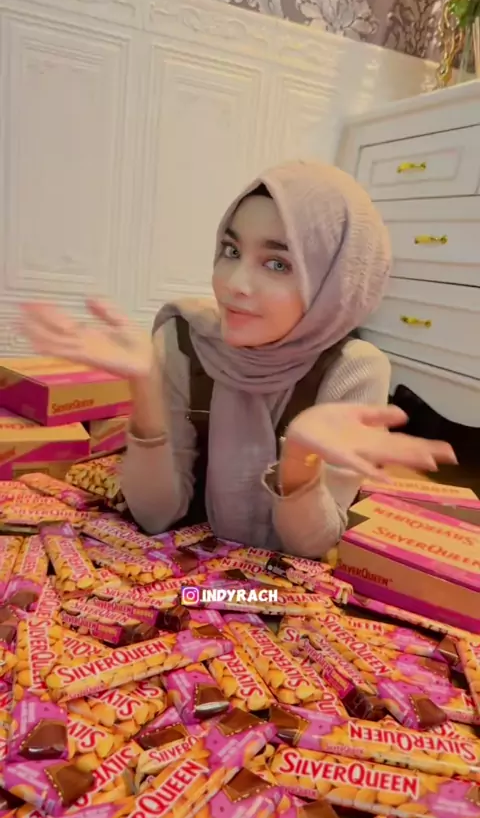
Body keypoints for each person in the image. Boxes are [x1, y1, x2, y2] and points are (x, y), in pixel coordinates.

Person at [20, 161, 456, 558]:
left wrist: (299, 459)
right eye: (231, 251)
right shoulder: (184, 337)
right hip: (179, 572)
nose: (234, 283)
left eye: (278, 264)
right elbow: (155, 516)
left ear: (334, 282)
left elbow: (310, 547)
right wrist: (146, 388)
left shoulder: (353, 369)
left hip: (272, 588)